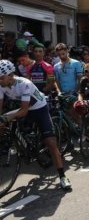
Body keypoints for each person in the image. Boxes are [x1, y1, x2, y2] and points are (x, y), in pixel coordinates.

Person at [0, 60, 71, 190]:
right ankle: (16, 145)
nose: (0, 80)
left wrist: (5, 118)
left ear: (11, 75)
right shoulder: (1, 84)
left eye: (1, 78)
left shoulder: (24, 84)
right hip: (23, 107)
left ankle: (62, 176)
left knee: (51, 143)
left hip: (39, 109)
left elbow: (23, 111)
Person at [53, 43, 83, 127]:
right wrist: (58, 91)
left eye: (63, 53)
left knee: (75, 114)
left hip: (74, 93)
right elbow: (56, 80)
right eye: (59, 55)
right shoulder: (56, 66)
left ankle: (81, 132)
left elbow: (80, 79)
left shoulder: (76, 63)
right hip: (63, 94)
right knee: (65, 115)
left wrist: (76, 92)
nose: (61, 56)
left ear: (67, 51)